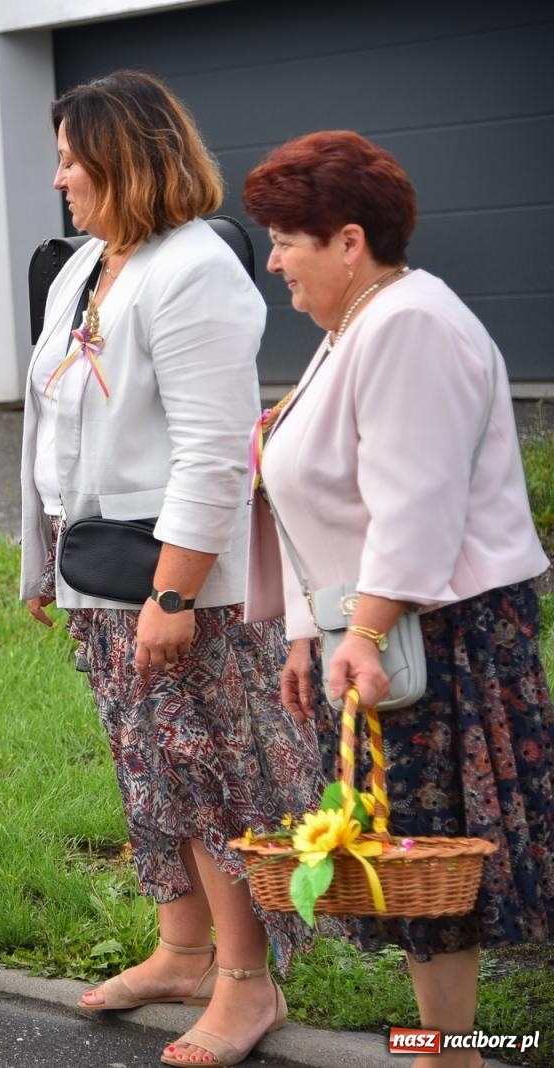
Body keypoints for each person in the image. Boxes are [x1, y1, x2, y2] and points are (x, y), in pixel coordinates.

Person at [17, 71, 320, 1067]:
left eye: (72, 160)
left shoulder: (194, 269)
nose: (59, 178)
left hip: (181, 587)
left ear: (126, 161)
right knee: (151, 775)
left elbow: (215, 451)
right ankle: (183, 953)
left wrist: (173, 593)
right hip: (103, 575)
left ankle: (247, 984)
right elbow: (52, 425)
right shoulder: (85, 266)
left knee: (214, 783)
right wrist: (44, 561)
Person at [242, 130, 553, 1068]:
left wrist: (366, 631)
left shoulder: (407, 323)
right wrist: (309, 632)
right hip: (388, 623)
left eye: (285, 240)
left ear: (348, 241)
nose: (273, 261)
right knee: (415, 853)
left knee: (435, 855)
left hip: (435, 630)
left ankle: (452, 1053)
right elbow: (322, 502)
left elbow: (416, 499)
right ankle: (443, 1051)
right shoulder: (356, 325)